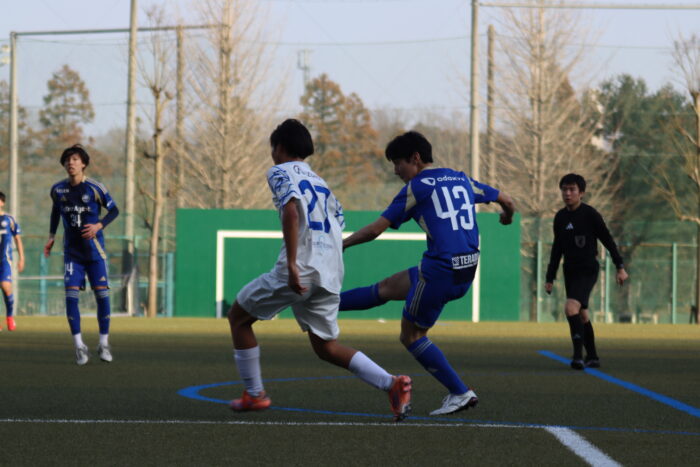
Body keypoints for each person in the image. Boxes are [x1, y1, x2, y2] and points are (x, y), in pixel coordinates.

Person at [227, 119, 412, 421]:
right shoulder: (321, 183)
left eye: (273, 148)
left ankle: (255, 394)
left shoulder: (279, 171)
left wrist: (291, 264)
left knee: (238, 318)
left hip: (301, 267)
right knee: (327, 347)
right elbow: (338, 223)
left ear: (279, 147)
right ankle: (391, 383)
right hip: (329, 271)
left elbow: (290, 210)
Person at [339, 131, 515, 416]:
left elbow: (375, 230)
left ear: (415, 158)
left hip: (440, 270)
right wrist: (507, 217)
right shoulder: (460, 178)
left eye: (398, 163)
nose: (396, 171)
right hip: (466, 267)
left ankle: (460, 392)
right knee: (387, 287)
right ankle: (328, 303)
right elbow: (507, 200)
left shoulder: (417, 187)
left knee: (411, 335)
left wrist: (342, 245)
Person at [44, 144, 120, 365]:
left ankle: (103, 343)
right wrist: (51, 236)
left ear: (84, 163)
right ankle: (79, 346)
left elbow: (114, 210)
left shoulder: (95, 188)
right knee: (71, 297)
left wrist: (99, 225)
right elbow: (55, 211)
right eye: (68, 160)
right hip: (72, 254)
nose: (71, 163)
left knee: (102, 296)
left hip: (95, 253)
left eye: (75, 159)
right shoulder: (58, 190)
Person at [545, 173, 628, 370]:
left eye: (572, 189)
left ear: (581, 193)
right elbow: (557, 249)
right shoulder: (560, 217)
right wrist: (550, 277)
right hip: (570, 271)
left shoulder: (590, 215)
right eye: (564, 189)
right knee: (582, 315)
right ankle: (592, 356)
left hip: (588, 269)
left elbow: (608, 240)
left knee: (570, 308)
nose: (567, 193)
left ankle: (577, 357)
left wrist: (620, 267)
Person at [0, 192, 24, 331]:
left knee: (5, 286)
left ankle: (9, 316)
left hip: (4, 260)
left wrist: (21, 258)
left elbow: (18, 239)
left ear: (2, 202)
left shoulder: (9, 219)